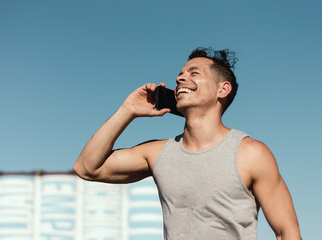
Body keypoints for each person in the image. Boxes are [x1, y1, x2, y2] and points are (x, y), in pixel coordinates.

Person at [73, 47, 302, 239]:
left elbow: (287, 232)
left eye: (194, 73)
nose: (180, 78)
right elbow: (87, 168)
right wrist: (127, 110)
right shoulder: (157, 153)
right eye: (181, 74)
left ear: (222, 89)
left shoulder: (251, 153)